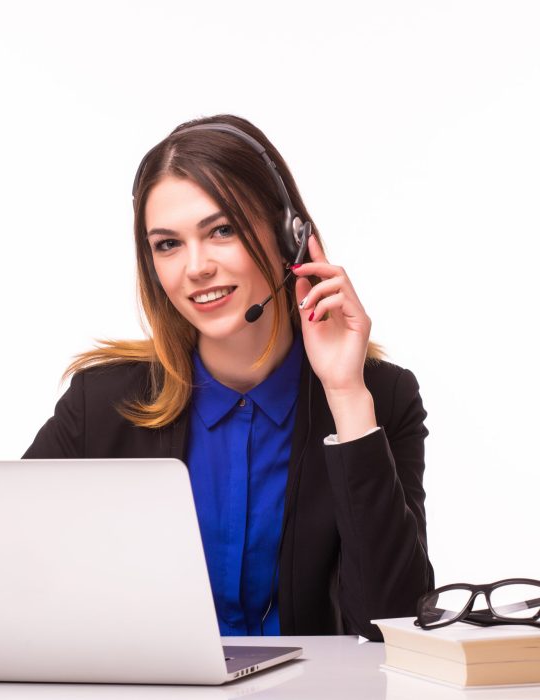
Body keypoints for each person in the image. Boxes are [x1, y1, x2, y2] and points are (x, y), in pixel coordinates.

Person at [23, 114, 433, 641]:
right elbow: (7, 577)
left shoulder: (382, 399)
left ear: (291, 237)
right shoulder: (99, 406)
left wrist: (346, 395)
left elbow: (393, 628)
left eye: (222, 231)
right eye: (167, 244)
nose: (196, 267)